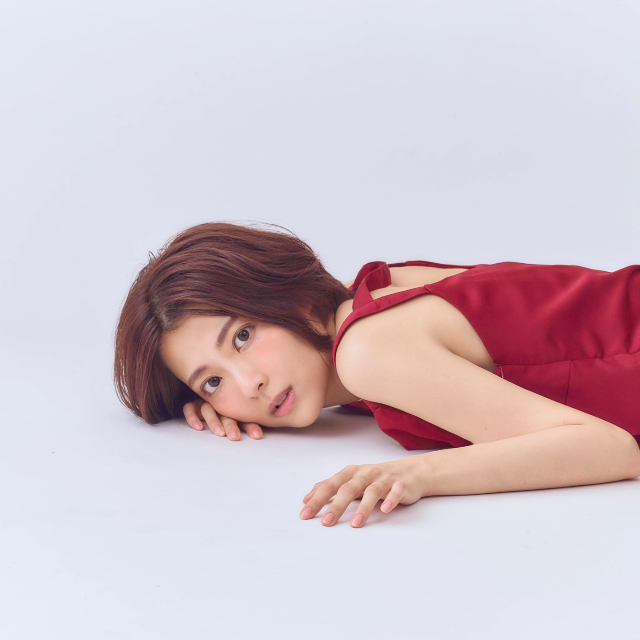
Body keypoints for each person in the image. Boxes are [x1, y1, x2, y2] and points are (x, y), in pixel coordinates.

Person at [113, 221, 640, 529]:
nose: (248, 384)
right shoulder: (364, 304)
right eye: (212, 381)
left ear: (289, 299)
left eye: (243, 336)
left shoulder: (367, 351)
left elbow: (611, 449)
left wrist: (417, 477)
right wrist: (200, 402)